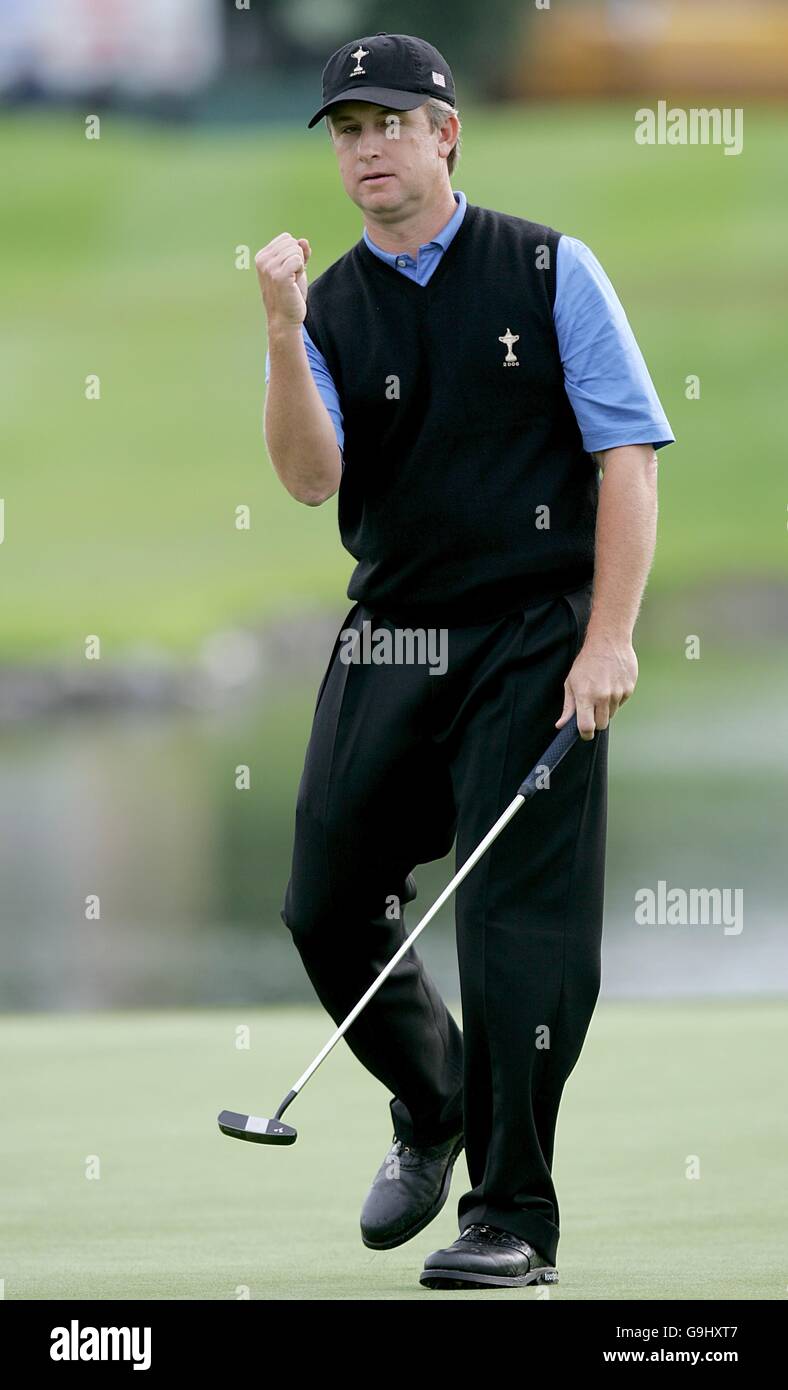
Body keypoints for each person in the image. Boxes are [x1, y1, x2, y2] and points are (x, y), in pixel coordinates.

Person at [257, 31, 674, 1290]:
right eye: (345, 129)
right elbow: (308, 477)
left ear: (445, 134)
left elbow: (626, 456)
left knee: (514, 931)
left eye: (389, 123)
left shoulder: (547, 266)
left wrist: (608, 638)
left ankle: (508, 1220)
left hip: (533, 634)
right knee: (328, 900)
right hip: (394, 625)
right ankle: (430, 1101)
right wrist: (281, 332)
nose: (367, 147)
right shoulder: (324, 302)